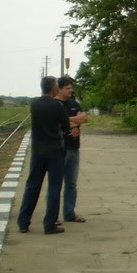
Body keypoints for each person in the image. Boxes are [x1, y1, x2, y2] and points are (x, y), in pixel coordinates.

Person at [17, 76, 70, 234]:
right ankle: (49, 225)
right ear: (53, 88)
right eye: (56, 86)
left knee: (32, 187)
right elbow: (66, 126)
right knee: (54, 188)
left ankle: (23, 223)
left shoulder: (34, 103)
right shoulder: (58, 105)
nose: (58, 88)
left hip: (38, 152)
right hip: (55, 152)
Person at [56, 76, 88, 223]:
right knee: (55, 184)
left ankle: (69, 213)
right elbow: (56, 121)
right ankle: (53, 216)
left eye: (71, 87)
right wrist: (75, 122)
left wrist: (69, 120)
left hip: (74, 148)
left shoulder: (74, 103)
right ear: (60, 88)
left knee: (71, 183)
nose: (71, 90)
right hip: (59, 149)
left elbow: (85, 117)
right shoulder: (54, 104)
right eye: (68, 88)